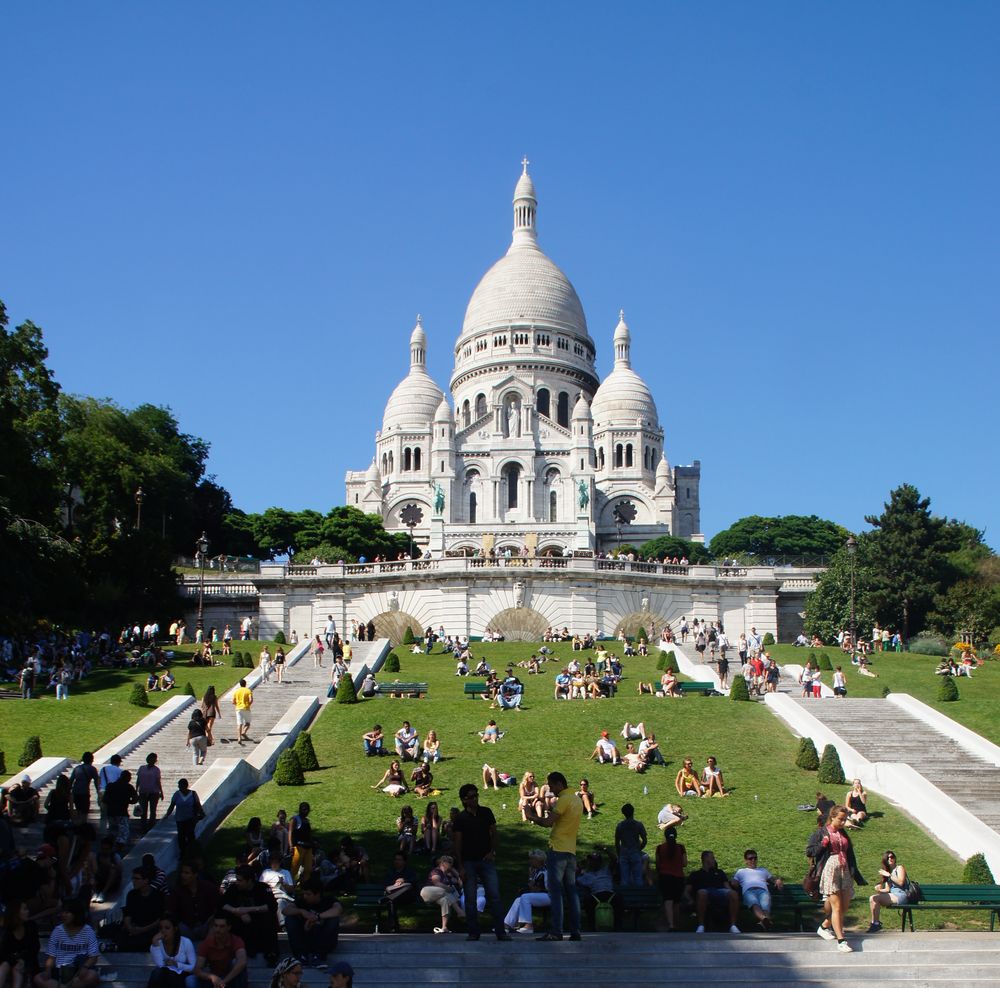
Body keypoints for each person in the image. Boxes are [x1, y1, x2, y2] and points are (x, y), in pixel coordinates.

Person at [452, 783, 511, 941]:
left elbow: (494, 833)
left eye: (476, 795)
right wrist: (460, 866)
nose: (475, 798)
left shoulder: (486, 812)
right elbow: (457, 842)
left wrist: (492, 852)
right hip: (469, 861)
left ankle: (500, 931)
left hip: (486, 860)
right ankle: (473, 932)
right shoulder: (460, 818)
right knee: (470, 898)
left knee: (495, 896)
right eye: (471, 796)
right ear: (464, 800)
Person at [528, 771, 583, 941]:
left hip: (558, 849)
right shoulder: (577, 800)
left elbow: (547, 822)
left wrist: (531, 817)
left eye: (551, 785)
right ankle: (576, 931)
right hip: (571, 851)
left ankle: (556, 931)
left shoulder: (564, 800)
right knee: (572, 892)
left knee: (555, 892)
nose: (550, 789)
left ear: (560, 783)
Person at [807, 804, 866, 952]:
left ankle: (823, 927)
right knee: (837, 907)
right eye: (840, 819)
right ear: (832, 817)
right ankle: (841, 940)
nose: (842, 822)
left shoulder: (843, 833)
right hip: (830, 870)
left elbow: (850, 854)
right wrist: (823, 844)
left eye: (845, 819)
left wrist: (853, 872)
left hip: (844, 870)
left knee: (844, 907)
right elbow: (810, 852)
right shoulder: (821, 833)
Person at [33, 899, 99, 988]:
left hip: (79, 971)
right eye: (63, 912)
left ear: (76, 914)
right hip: (60, 971)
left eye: (67, 912)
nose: (63, 915)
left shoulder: (87, 930)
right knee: (38, 978)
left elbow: (93, 957)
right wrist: (47, 970)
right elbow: (51, 957)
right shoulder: (57, 930)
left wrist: (85, 967)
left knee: (92, 976)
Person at [220, 866, 279, 964]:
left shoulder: (263, 888)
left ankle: (271, 953)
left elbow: (272, 906)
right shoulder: (234, 888)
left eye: (240, 880)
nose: (237, 882)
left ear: (249, 881)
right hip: (240, 922)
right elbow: (222, 904)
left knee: (269, 918)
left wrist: (248, 910)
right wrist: (237, 911)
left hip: (259, 921)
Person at [282, 877, 342, 968]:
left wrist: (317, 917)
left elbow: (338, 910)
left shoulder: (329, 901)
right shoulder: (302, 901)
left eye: (308, 894)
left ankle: (319, 955)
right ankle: (301, 955)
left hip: (323, 939)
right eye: (304, 894)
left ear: (317, 894)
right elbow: (285, 910)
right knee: (290, 919)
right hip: (305, 938)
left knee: (333, 919)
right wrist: (302, 911)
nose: (305, 896)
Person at [688, 851, 741, 934]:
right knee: (702, 892)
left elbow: (727, 887)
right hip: (704, 891)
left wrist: (732, 892)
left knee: (733, 894)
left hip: (719, 892)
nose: (714, 860)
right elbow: (687, 890)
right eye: (712, 857)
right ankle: (701, 925)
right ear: (705, 859)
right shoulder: (696, 874)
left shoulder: (719, 872)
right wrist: (689, 899)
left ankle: (733, 926)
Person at [731, 849, 783, 930]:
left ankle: (764, 922)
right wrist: (733, 883)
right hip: (749, 891)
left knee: (765, 905)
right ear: (745, 861)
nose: (753, 860)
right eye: (750, 858)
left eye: (755, 858)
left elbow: (772, 879)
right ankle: (765, 920)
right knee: (753, 903)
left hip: (763, 891)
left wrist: (777, 880)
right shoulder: (741, 871)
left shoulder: (763, 870)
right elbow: (734, 882)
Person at [115, 867, 165, 950]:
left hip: (150, 928)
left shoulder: (158, 895)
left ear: (146, 880)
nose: (134, 881)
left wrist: (142, 929)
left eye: (137, 879)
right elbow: (127, 914)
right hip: (135, 926)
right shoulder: (132, 894)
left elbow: (160, 919)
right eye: (133, 878)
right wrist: (130, 927)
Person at [193, 913, 248, 988]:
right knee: (192, 980)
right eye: (215, 926)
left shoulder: (236, 941)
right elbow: (197, 970)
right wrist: (212, 977)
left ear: (229, 927)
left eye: (222, 926)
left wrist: (224, 981)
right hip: (214, 978)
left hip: (231, 978)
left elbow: (242, 962)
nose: (218, 930)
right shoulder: (206, 943)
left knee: (238, 965)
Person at [503, 850, 549, 934]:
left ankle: (528, 926)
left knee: (525, 897)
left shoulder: (544, 871)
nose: (530, 861)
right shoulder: (536, 871)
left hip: (549, 895)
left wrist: (531, 882)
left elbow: (538, 889)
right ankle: (506, 925)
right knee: (519, 899)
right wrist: (530, 877)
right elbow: (531, 887)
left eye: (532, 859)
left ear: (538, 860)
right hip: (541, 895)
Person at [148, 914, 197, 988]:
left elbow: (193, 967)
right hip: (164, 977)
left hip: (181, 976)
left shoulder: (186, 942)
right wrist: (155, 943)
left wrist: (177, 964)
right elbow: (160, 965)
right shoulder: (156, 945)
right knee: (156, 973)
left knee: (172, 975)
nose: (163, 931)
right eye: (161, 928)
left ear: (175, 929)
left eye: (167, 928)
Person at [420, 855, 465, 934]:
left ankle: (444, 927)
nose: (451, 865)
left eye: (452, 863)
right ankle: (459, 911)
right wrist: (448, 888)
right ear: (443, 863)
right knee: (446, 890)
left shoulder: (448, 876)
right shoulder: (436, 871)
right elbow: (436, 882)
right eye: (450, 863)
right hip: (427, 892)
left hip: (440, 895)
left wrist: (455, 872)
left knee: (445, 900)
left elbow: (460, 883)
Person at [0, 899, 40, 988]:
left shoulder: (31, 926)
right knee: (4, 966)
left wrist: (22, 960)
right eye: (25, 909)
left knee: (17, 969)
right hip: (11, 961)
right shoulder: (7, 931)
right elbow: (3, 953)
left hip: (29, 961)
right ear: (16, 913)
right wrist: (16, 960)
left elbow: (35, 948)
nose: (28, 911)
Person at [868, 851, 909, 931]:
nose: (890, 859)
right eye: (888, 858)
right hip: (893, 895)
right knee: (872, 898)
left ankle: (876, 924)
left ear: (895, 858)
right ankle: (874, 923)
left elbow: (901, 882)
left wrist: (889, 875)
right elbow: (887, 889)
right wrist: (879, 890)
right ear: (885, 860)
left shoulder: (899, 868)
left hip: (902, 895)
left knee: (875, 898)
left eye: (892, 857)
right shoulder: (888, 871)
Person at [655, 828, 687, 931]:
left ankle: (670, 924)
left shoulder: (660, 848)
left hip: (665, 877)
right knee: (677, 902)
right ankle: (677, 924)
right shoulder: (681, 848)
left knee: (668, 900)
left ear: (665, 835)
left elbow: (658, 864)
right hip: (678, 877)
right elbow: (684, 863)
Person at [381, 851, 419, 933]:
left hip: (407, 897)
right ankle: (394, 926)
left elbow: (414, 881)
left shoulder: (409, 871)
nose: (397, 861)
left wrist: (403, 880)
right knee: (391, 901)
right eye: (395, 859)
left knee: (407, 886)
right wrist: (393, 886)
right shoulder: (390, 872)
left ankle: (388, 898)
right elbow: (385, 884)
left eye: (399, 860)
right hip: (394, 896)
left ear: (404, 861)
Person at [164, 779, 204, 855]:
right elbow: (172, 805)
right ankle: (183, 853)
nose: (179, 787)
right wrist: (167, 814)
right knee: (181, 836)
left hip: (191, 818)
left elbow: (197, 804)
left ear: (185, 785)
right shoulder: (177, 794)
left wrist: (201, 812)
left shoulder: (193, 794)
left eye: (180, 785)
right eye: (179, 785)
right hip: (180, 819)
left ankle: (192, 852)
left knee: (190, 835)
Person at [614, 804, 647, 887]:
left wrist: (619, 854)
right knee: (638, 878)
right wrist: (639, 849)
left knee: (624, 879)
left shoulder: (620, 826)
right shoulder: (638, 824)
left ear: (623, 813)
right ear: (633, 812)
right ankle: (639, 897)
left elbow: (617, 843)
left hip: (624, 853)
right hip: (635, 852)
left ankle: (625, 898)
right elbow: (645, 840)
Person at [136, 753, 165, 833]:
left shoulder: (156, 770)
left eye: (153, 759)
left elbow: (158, 781)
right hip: (143, 792)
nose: (151, 760)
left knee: (153, 810)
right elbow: (138, 780)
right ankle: (143, 826)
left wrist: (161, 792)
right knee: (143, 810)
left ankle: (151, 825)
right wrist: (136, 790)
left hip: (154, 792)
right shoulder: (141, 768)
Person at [69, 753, 100, 821]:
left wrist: (69, 791)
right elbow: (96, 782)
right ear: (91, 760)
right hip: (84, 792)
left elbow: (71, 780)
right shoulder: (92, 769)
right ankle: (83, 824)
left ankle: (78, 823)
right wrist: (98, 792)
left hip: (75, 791)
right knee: (85, 811)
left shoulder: (77, 768)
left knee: (78, 809)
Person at [289, 803, 315, 883]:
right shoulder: (295, 819)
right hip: (299, 847)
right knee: (294, 868)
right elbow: (290, 832)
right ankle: (290, 885)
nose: (306, 811)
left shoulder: (307, 821)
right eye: (304, 809)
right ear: (300, 810)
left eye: (307, 809)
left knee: (308, 869)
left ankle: (304, 886)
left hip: (308, 847)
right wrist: (291, 845)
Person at [231, 680, 253, 745]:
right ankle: (244, 732)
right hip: (246, 708)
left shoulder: (236, 691)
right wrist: (248, 704)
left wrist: (237, 704)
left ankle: (239, 738)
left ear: (240, 684)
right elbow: (251, 700)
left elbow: (233, 701)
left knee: (239, 723)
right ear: (245, 684)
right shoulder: (248, 691)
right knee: (248, 723)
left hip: (238, 708)